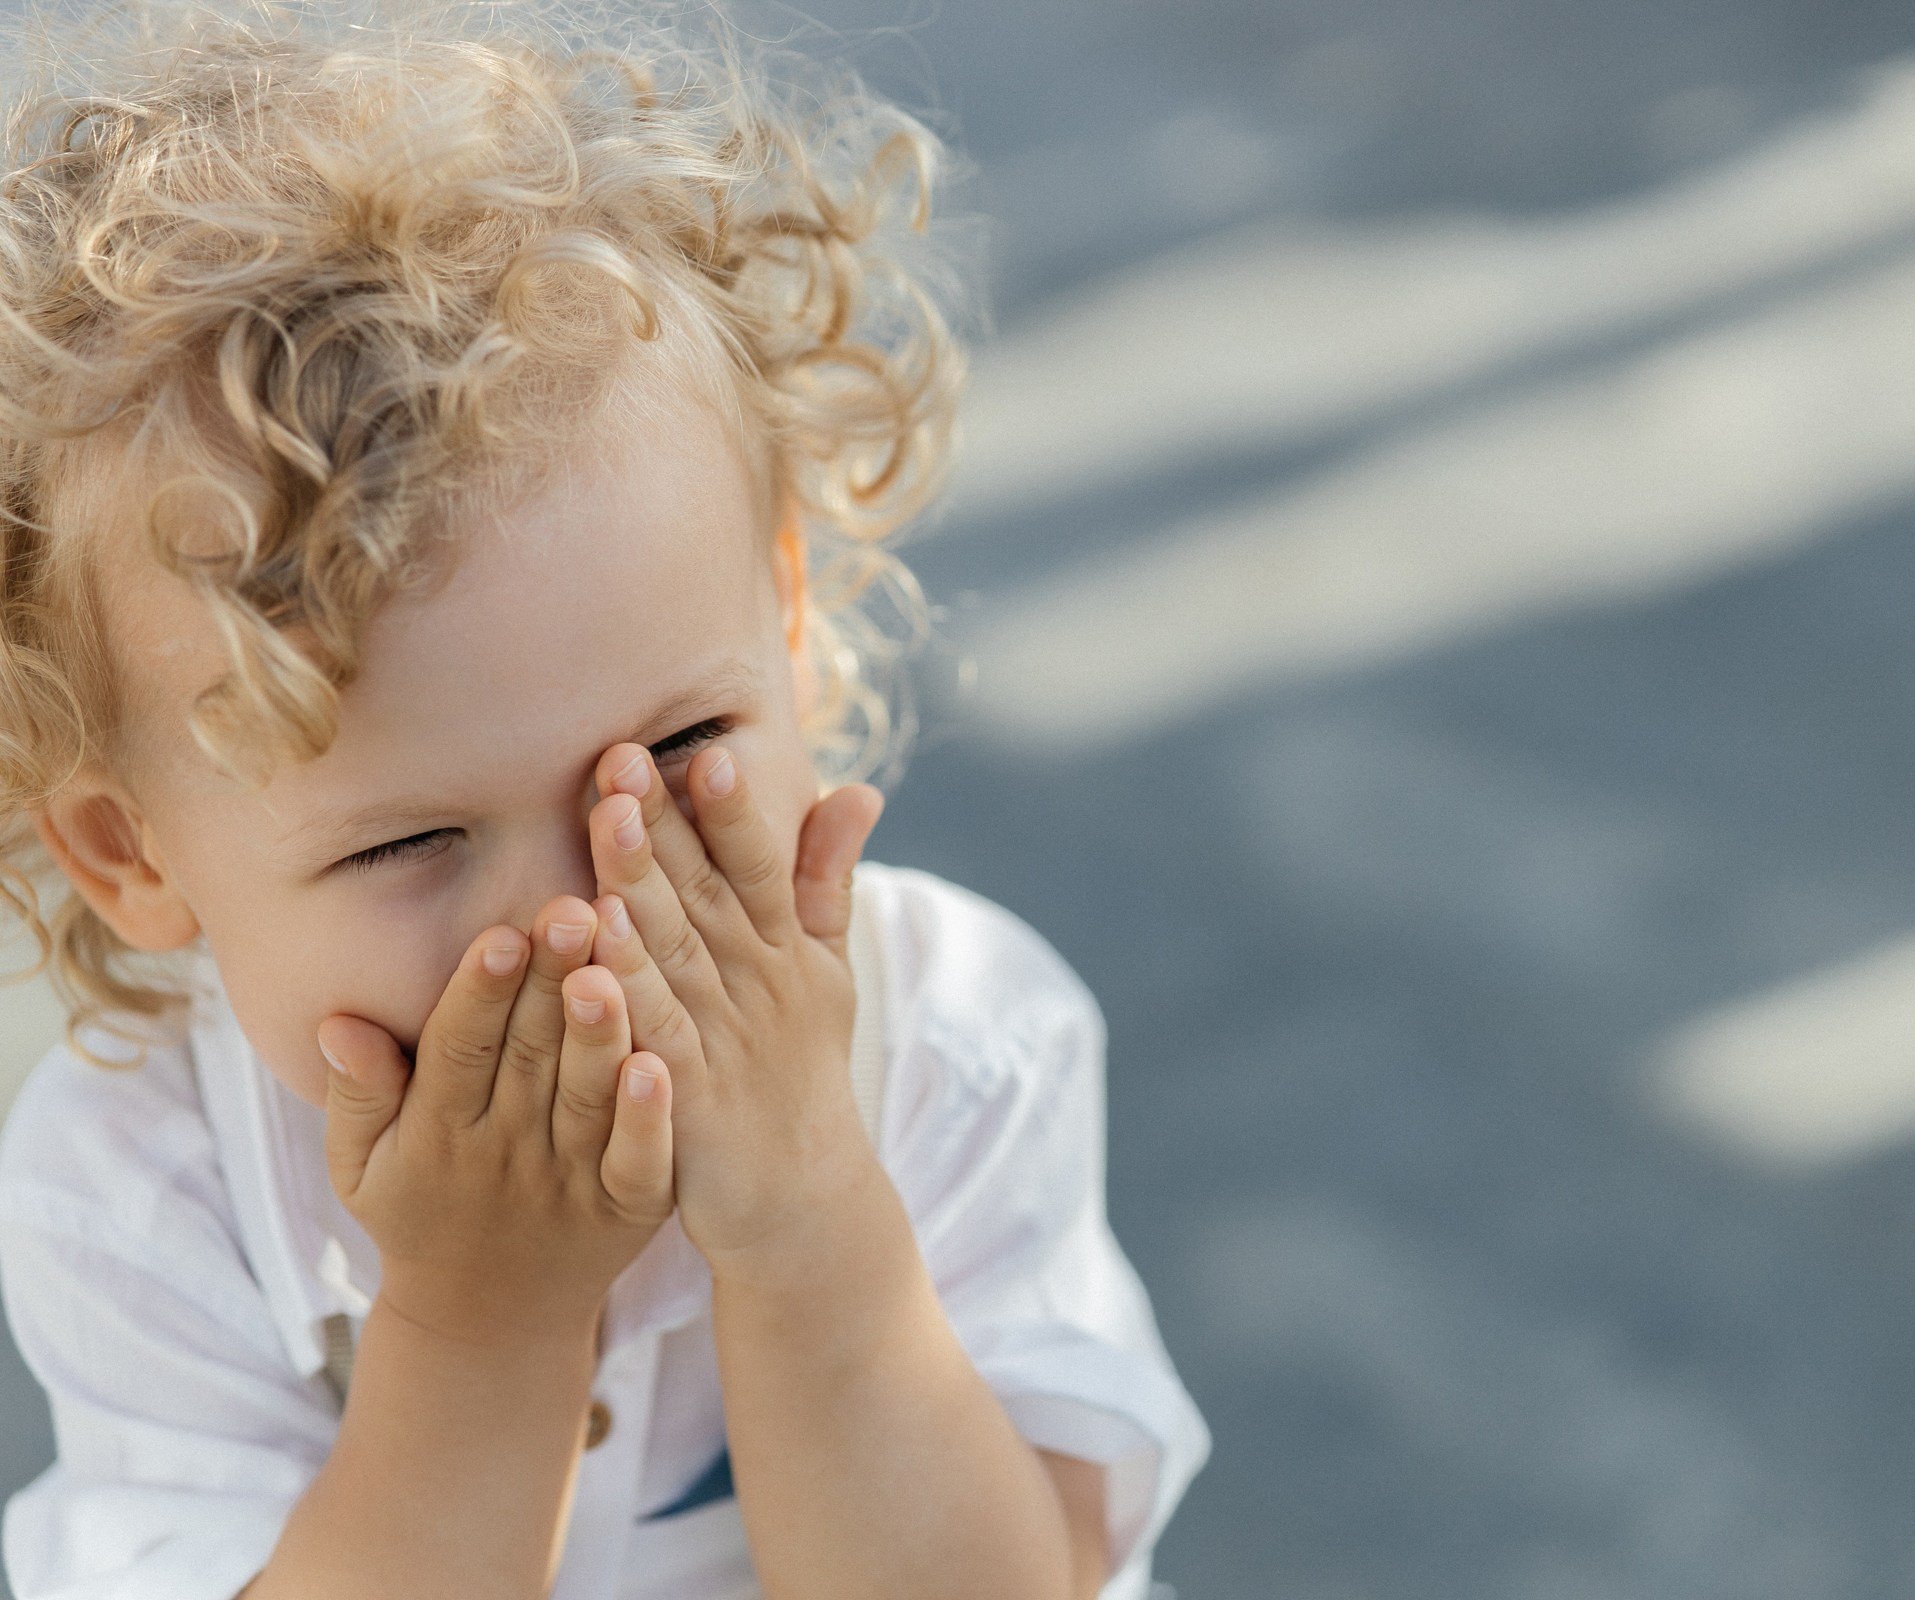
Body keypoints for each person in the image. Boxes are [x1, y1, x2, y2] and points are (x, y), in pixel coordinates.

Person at [0, 3, 1207, 1597]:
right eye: (411, 839)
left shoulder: (954, 1050)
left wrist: (808, 1225)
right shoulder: (153, 1190)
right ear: (130, 854)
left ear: (786, 617)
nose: (585, 914)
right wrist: (477, 1319)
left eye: (685, 744)